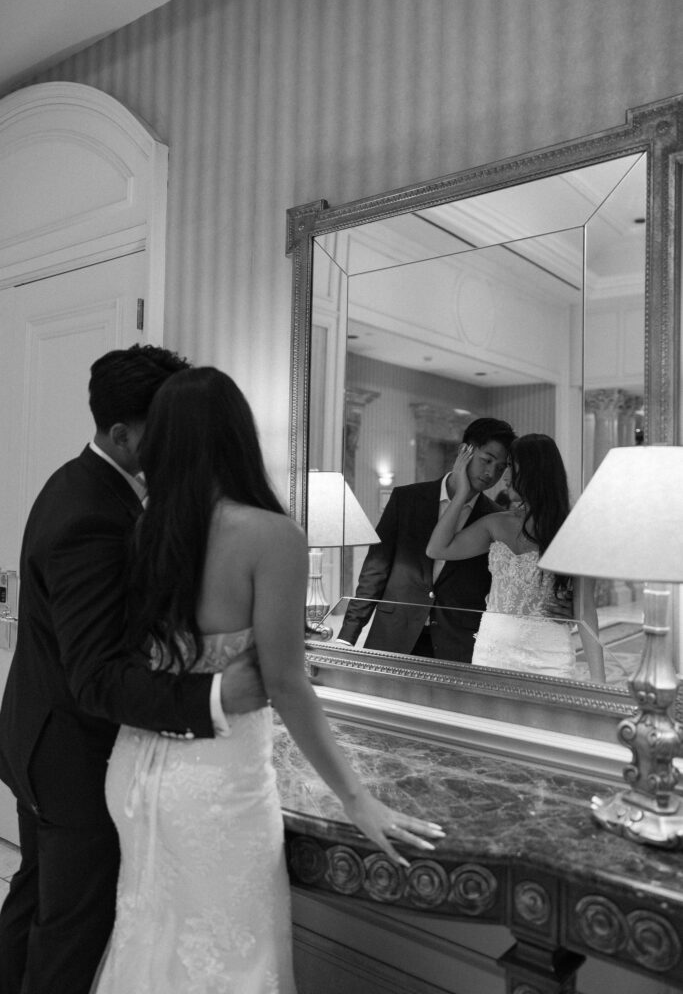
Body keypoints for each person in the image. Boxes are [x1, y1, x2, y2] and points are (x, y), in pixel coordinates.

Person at [90, 366, 445, 993]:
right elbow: (286, 684)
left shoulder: (148, 529)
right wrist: (356, 799)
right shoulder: (269, 536)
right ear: (237, 435)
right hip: (216, 783)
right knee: (229, 961)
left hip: (137, 771)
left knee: (151, 944)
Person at [0, 347, 268, 994]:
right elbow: (95, 675)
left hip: (38, 734)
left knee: (36, 903)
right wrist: (214, 694)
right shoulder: (90, 514)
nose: (177, 444)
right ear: (121, 435)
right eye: (163, 429)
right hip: (69, 754)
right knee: (72, 930)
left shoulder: (89, 485)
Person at [426, 433, 605, 681]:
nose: (504, 477)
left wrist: (599, 682)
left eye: (510, 466)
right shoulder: (496, 523)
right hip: (491, 653)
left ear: (535, 470)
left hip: (548, 656)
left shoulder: (575, 531)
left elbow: (585, 611)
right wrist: (460, 494)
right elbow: (437, 549)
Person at [336, 418, 516, 662]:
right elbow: (375, 570)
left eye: (501, 467)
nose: (491, 473)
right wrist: (348, 634)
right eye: (487, 460)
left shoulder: (494, 518)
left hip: (457, 644)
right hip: (393, 635)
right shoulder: (406, 499)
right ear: (465, 451)